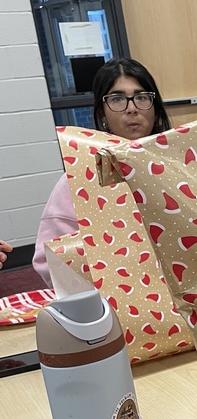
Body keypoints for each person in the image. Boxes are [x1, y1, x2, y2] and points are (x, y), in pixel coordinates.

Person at [32, 58, 171, 287]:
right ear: (102, 114)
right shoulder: (78, 178)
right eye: (117, 99)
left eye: (141, 97)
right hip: (118, 304)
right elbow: (49, 259)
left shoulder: (176, 166)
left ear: (155, 109)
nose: (132, 108)